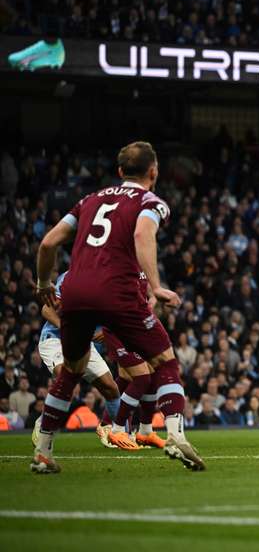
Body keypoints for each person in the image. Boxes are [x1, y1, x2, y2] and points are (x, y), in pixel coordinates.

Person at [32, 141, 204, 473]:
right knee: (166, 362)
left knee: (71, 371)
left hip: (76, 290)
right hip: (117, 291)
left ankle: (43, 451)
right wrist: (156, 286)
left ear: (120, 171)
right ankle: (175, 436)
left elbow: (48, 243)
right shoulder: (150, 201)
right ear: (154, 172)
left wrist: (43, 285)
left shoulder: (89, 200)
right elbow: (142, 234)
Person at [33, 270, 124, 449]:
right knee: (65, 376)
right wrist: (66, 330)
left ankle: (116, 433)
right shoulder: (72, 277)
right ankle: (43, 423)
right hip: (55, 338)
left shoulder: (112, 281)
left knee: (111, 387)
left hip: (83, 344)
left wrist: (107, 331)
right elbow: (46, 309)